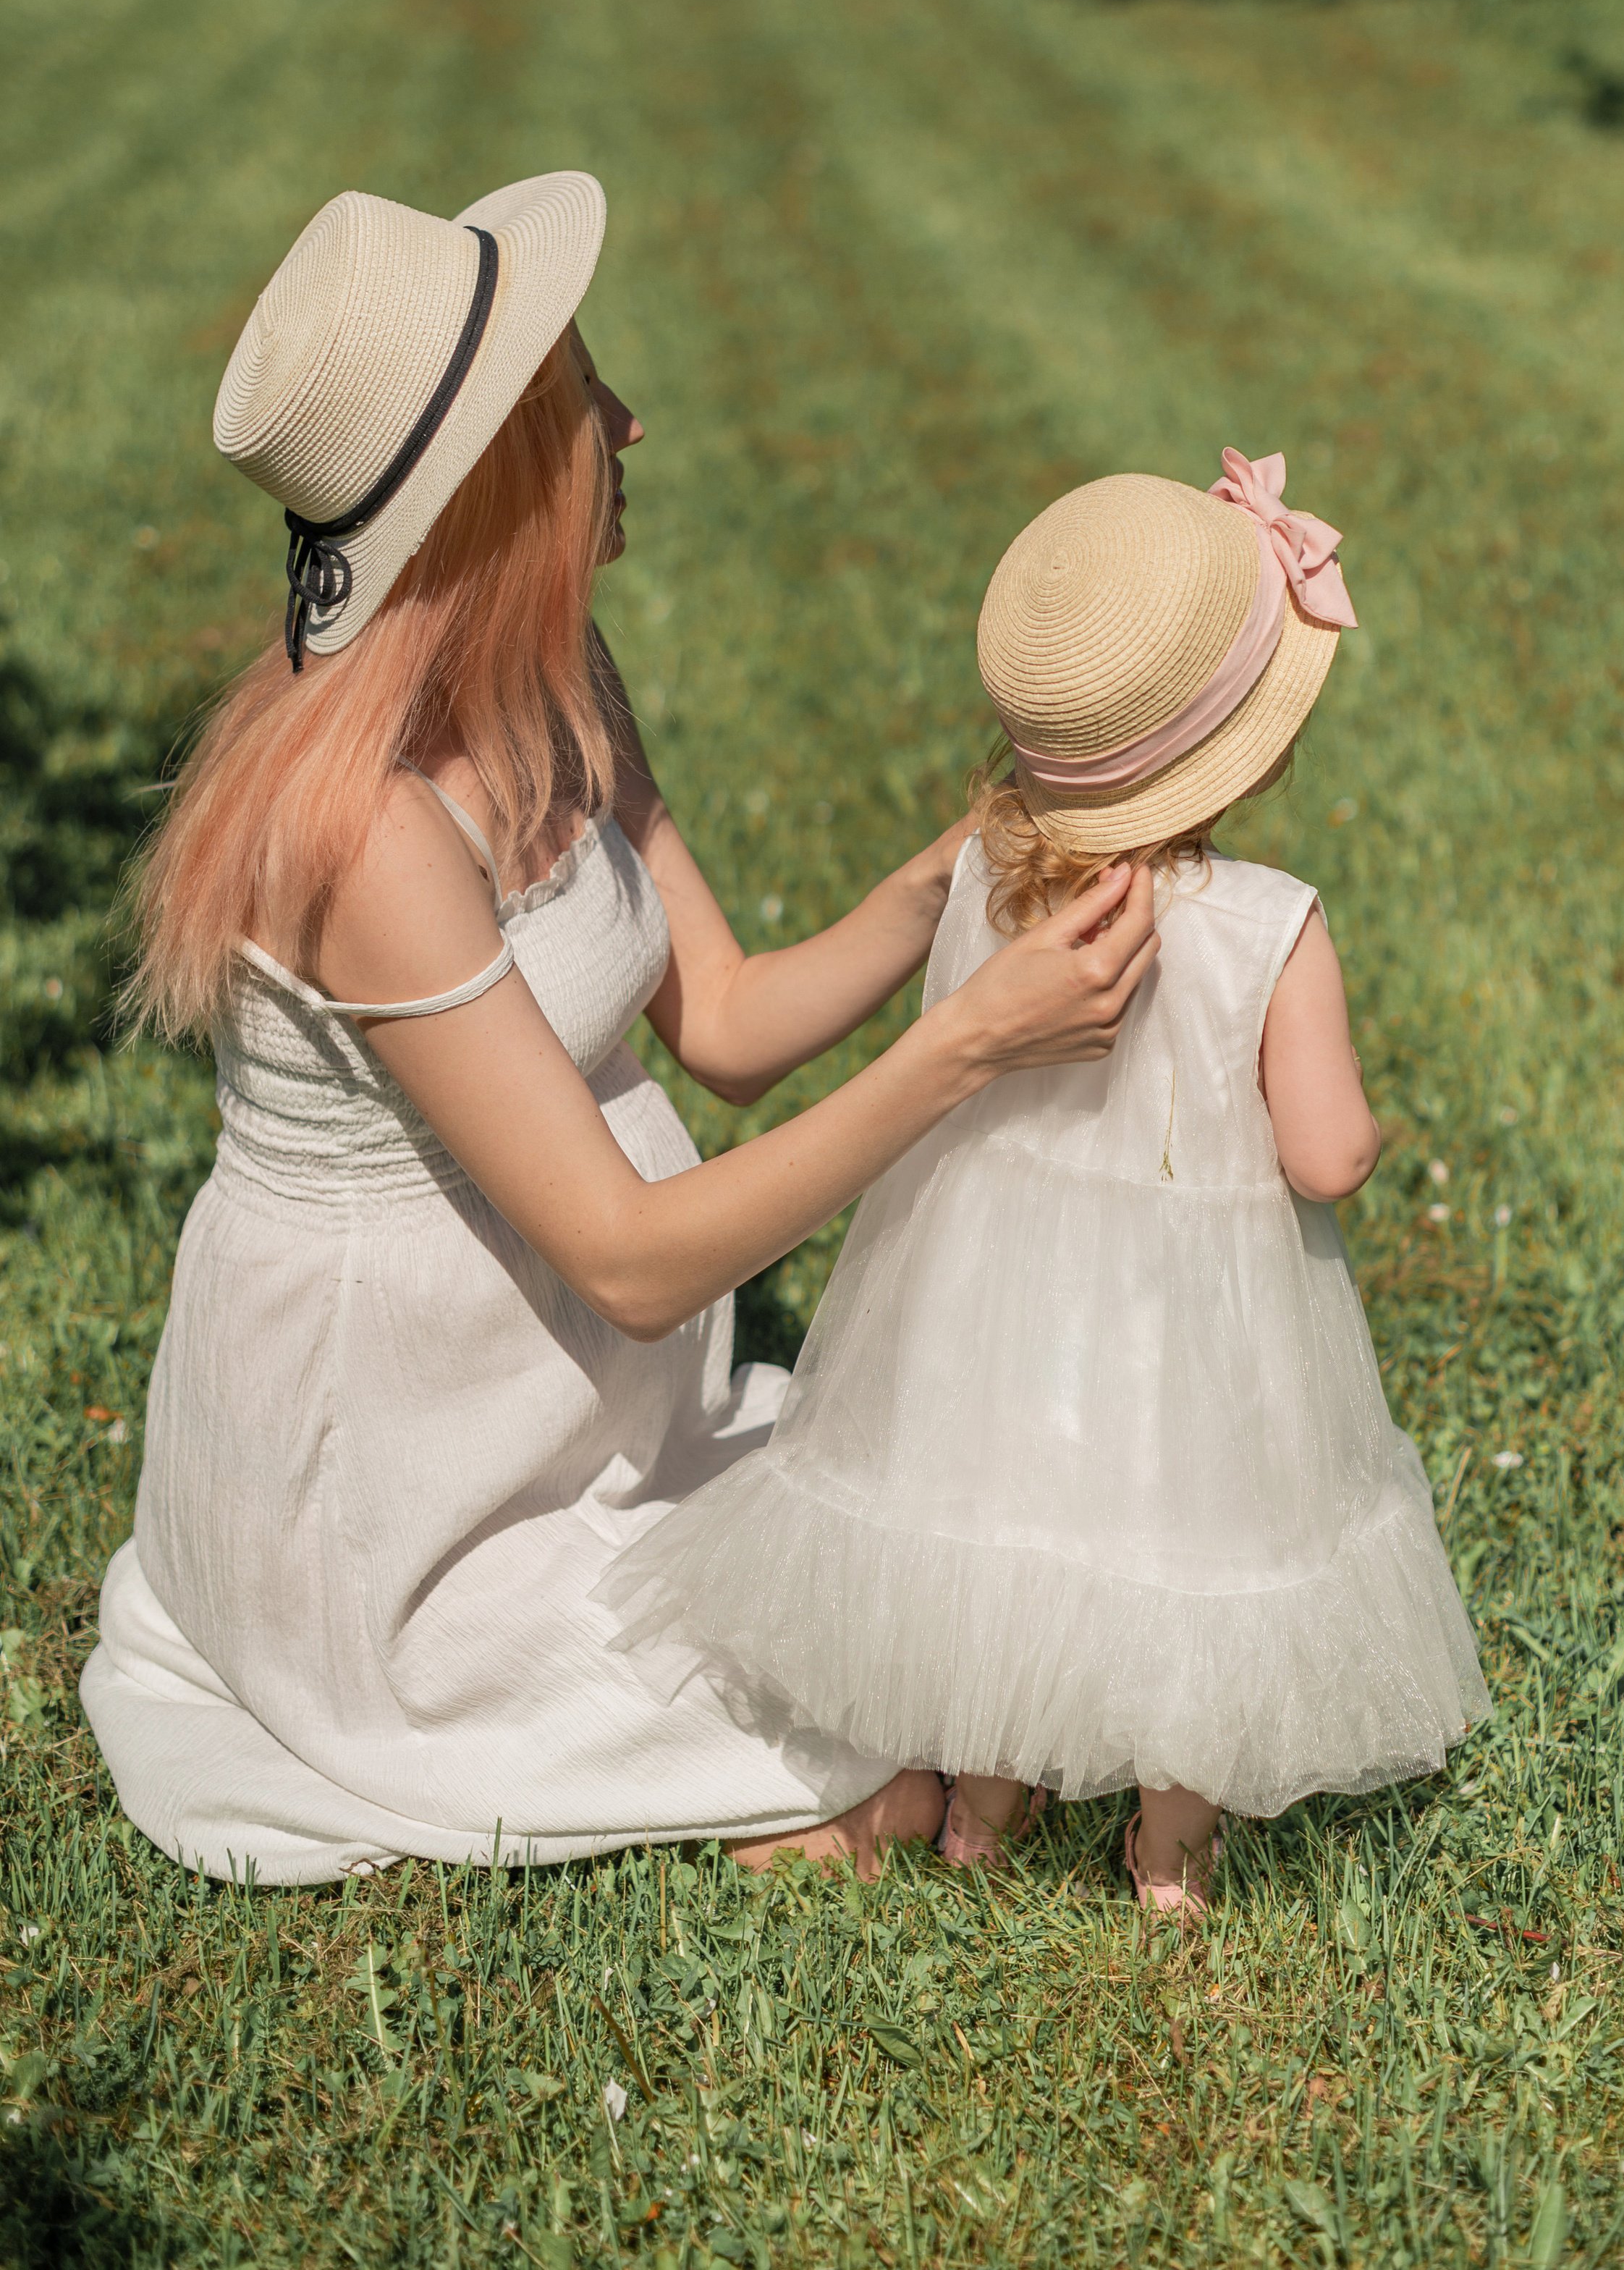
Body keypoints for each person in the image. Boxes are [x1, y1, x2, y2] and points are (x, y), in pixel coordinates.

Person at [79, 172, 1159, 1886]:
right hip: (404, 1489)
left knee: (978, 1551)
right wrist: (966, 1046)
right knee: (885, 1711)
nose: (630, 418)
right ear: (505, 482)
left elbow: (721, 1019)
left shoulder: (555, 679)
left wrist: (969, 861)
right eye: (590, 403)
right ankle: (734, 1780)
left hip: (582, 1412)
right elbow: (633, 1258)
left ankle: (790, 1750)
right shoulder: (368, 831)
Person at [596, 455, 1492, 1913]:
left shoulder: (979, 882)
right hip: (1185, 1321)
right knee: (1186, 1534)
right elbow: (1325, 1148)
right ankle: (1169, 1849)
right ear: (1248, 750)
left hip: (991, 1298)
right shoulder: (1270, 923)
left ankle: (979, 1796)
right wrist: (1355, 1146)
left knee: (1000, 1509)